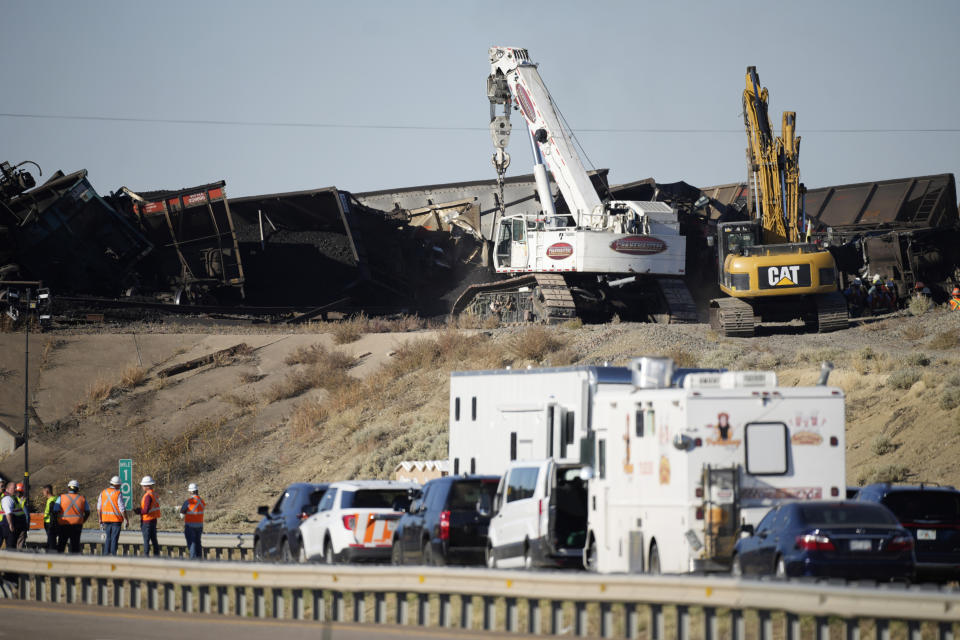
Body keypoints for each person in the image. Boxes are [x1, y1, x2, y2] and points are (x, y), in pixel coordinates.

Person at [55, 480, 89, 553]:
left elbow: (55, 510)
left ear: (68, 488)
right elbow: (87, 512)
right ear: (77, 489)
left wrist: (57, 521)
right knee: (75, 546)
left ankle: (58, 561)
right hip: (77, 525)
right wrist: (83, 520)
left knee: (61, 545)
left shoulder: (61, 497)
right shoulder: (82, 498)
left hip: (64, 524)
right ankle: (74, 562)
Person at [97, 476, 128, 556]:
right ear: (116, 485)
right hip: (116, 520)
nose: (120, 486)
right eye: (119, 485)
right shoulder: (118, 493)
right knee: (114, 538)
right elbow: (122, 508)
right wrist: (126, 519)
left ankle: (106, 554)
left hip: (105, 520)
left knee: (108, 538)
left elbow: (99, 507)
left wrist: (100, 519)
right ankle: (113, 555)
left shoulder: (103, 492)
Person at [136, 476, 161, 556]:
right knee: (154, 541)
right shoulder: (154, 494)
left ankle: (146, 557)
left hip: (147, 522)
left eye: (143, 485)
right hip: (153, 520)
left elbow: (145, 510)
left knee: (146, 541)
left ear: (147, 486)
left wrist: (138, 511)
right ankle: (157, 557)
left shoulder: (147, 496)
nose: (142, 487)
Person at [179, 483, 205, 559]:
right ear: (197, 490)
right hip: (200, 526)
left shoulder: (189, 501)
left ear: (190, 492)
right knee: (198, 543)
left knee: (192, 544)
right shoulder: (202, 501)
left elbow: (181, 515)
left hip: (190, 526)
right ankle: (199, 560)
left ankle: (193, 561)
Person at [11, 483, 28, 549]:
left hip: (15, 523)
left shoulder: (12, 499)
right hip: (21, 523)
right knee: (20, 541)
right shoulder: (22, 501)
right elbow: (26, 515)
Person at [0, 481, 16, 550]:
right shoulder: (5, 497)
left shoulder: (4, 496)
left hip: (3, 524)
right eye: (1, 486)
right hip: (4, 524)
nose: (2, 488)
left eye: (3, 486)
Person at [42, 484, 58, 552]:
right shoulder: (55, 498)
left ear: (47, 491)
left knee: (51, 542)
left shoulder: (51, 501)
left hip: (50, 523)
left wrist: (51, 524)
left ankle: (52, 556)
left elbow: (52, 514)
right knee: (51, 541)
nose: (42, 492)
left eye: (43, 491)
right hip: (51, 523)